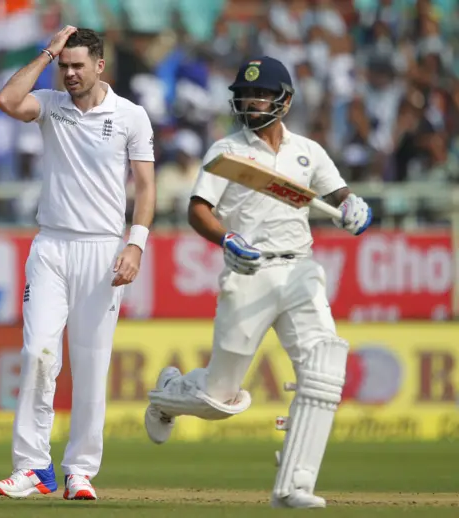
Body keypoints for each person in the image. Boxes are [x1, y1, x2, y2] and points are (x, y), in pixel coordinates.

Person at [143, 56, 372, 509]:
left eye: (261, 93)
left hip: (301, 270)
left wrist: (353, 205)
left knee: (323, 370)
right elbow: (198, 209)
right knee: (219, 399)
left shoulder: (308, 151)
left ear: (284, 101)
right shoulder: (226, 152)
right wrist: (227, 239)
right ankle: (168, 396)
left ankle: (294, 485)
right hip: (250, 272)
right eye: (245, 94)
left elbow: (337, 194)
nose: (250, 100)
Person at [0, 26, 156, 501]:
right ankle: (33, 467)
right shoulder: (49, 103)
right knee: (38, 353)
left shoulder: (130, 116)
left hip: (104, 250)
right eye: (65, 66)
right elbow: (7, 100)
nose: (70, 74)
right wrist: (47, 52)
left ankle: (80, 471)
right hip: (51, 246)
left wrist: (136, 244)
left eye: (78, 65)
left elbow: (146, 188)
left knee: (90, 366)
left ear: (100, 66)